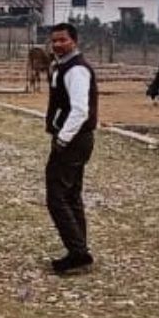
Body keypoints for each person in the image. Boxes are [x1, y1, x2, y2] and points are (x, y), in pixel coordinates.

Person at [44, 22, 99, 275]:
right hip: (76, 139)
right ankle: (80, 249)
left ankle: (78, 253)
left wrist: (63, 139)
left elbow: (80, 110)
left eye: (62, 40)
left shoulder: (76, 70)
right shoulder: (63, 66)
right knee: (71, 195)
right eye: (54, 40)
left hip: (73, 140)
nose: (57, 45)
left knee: (56, 197)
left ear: (74, 41)